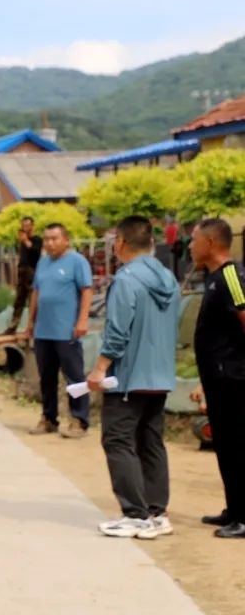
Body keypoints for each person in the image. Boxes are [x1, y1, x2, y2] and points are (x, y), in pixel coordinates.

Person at [87, 216, 179, 540]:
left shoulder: (126, 280)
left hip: (128, 378)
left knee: (118, 441)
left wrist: (99, 369)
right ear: (151, 243)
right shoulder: (169, 279)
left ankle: (135, 514)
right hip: (160, 376)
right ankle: (157, 512)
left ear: (120, 243)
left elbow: (117, 332)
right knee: (151, 442)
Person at [187, 219, 245, 538]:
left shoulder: (232, 276)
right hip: (218, 380)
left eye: (194, 240)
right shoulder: (212, 279)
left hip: (235, 379)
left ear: (210, 242)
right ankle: (234, 509)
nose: (190, 246)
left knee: (239, 445)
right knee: (224, 445)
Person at [25, 223, 93, 438]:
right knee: (47, 377)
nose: (50, 243)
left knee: (74, 377)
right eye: (46, 239)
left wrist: (82, 321)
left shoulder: (77, 262)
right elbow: (36, 292)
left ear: (66, 240)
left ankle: (79, 420)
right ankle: (48, 418)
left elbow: (87, 291)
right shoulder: (43, 263)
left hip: (67, 331)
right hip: (44, 330)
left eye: (54, 239)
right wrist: (30, 322)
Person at [3, 216, 42, 335]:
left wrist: (26, 240)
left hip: (32, 271)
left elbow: (35, 252)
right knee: (19, 299)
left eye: (27, 225)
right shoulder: (21, 242)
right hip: (22, 271)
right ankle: (13, 326)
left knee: (32, 300)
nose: (25, 228)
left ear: (32, 226)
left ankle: (33, 327)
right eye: (23, 225)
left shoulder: (36, 240)